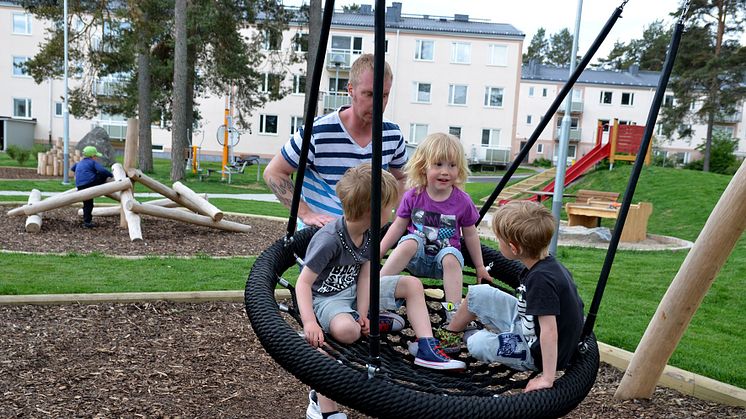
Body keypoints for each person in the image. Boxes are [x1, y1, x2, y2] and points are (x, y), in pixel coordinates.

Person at [298, 164, 465, 419]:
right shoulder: (330, 239)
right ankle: (324, 403)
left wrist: (364, 312)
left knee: (411, 285)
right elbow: (303, 283)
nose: (393, 211)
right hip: (328, 299)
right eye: (389, 206)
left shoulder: (368, 233)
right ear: (371, 211)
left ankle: (426, 347)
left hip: (354, 291)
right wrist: (310, 322)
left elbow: (366, 274)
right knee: (347, 330)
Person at [437, 201, 585, 392]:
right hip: (528, 323)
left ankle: (475, 336)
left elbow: (549, 332)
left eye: (499, 239)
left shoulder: (541, 281)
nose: (497, 242)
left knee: (477, 344)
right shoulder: (547, 266)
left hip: (534, 350)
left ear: (514, 248)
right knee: (478, 293)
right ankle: (450, 335)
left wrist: (547, 378)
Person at [263, 53, 407, 228]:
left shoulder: (392, 135)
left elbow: (403, 178)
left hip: (366, 239)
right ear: (350, 90)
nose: (378, 103)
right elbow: (274, 172)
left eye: (384, 95)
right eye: (369, 94)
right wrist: (306, 213)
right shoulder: (316, 132)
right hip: (319, 237)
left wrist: (398, 217)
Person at [379, 133, 492, 322]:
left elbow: (471, 235)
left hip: (443, 262)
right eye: (438, 164)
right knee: (410, 241)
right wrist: (380, 251)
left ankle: (452, 312)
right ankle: (375, 287)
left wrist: (480, 266)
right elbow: (398, 226)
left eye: (452, 165)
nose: (445, 171)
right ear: (424, 167)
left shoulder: (462, 201)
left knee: (451, 256)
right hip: (416, 257)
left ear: (460, 168)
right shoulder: (413, 195)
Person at [71, 146, 113, 228]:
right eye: (96, 156)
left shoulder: (79, 163)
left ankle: (87, 222)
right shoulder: (92, 162)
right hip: (90, 183)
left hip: (80, 186)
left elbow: (72, 168)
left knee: (88, 204)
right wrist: (111, 175)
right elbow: (102, 170)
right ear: (92, 156)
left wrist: (81, 172)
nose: (96, 158)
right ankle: (87, 222)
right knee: (102, 175)